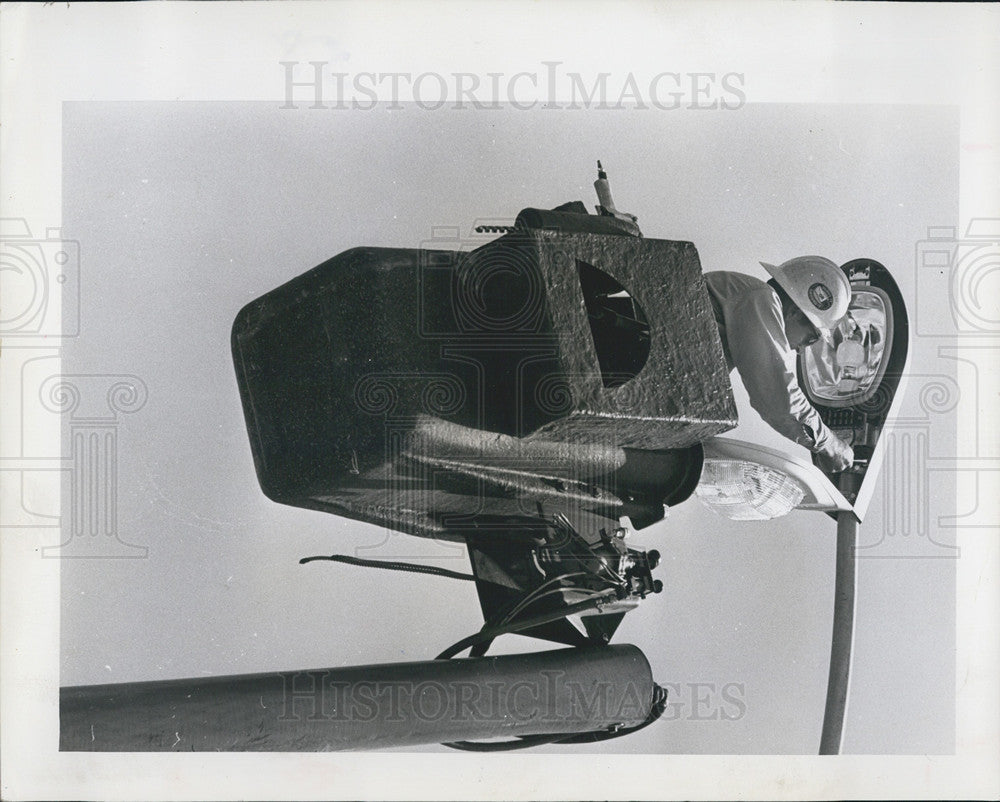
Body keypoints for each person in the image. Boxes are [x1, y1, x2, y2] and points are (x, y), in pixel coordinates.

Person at [704, 256, 855, 473]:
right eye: (812, 338)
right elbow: (778, 396)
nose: (801, 349)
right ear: (795, 313)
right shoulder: (760, 297)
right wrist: (830, 444)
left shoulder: (744, 294)